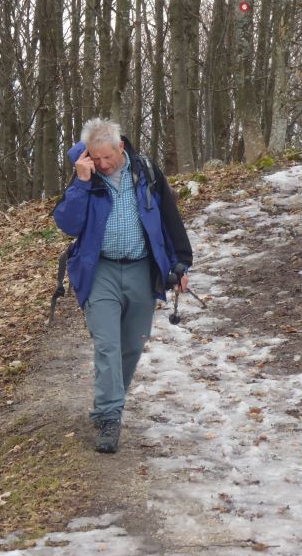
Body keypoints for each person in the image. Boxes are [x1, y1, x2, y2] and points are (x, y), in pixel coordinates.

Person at [53, 117, 193, 453]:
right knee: (107, 345)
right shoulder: (85, 177)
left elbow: (169, 218)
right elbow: (68, 225)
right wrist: (82, 183)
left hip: (140, 270)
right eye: (94, 158)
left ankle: (110, 402)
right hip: (99, 270)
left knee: (131, 345)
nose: (101, 164)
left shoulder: (145, 172)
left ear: (121, 147)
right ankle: (109, 416)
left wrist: (181, 263)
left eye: (106, 158)